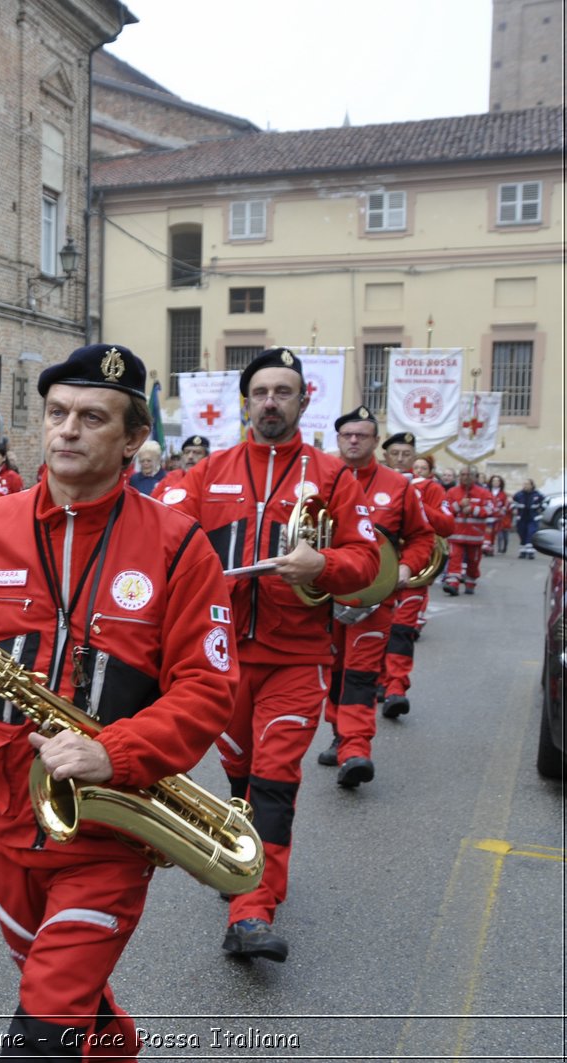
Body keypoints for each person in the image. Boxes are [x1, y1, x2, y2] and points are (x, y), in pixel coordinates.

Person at [0, 344, 237, 1059]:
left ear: (135, 437)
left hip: (109, 831)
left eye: (92, 417)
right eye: (56, 413)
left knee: (41, 1028)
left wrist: (115, 751)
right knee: (68, 1001)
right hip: (1, 817)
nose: (67, 430)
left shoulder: (179, 545)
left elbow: (207, 686)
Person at [162, 347, 378, 962]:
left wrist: (325, 564)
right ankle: (248, 864)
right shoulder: (208, 472)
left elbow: (368, 561)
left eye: (283, 392)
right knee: (238, 781)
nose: (271, 402)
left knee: (274, 780)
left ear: (304, 401)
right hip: (221, 658)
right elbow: (162, 537)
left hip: (296, 657)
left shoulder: (333, 476)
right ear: (245, 401)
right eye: (261, 392)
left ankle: (251, 910)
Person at [314, 408, 435, 787]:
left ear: (375, 442)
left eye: (362, 435)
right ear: (338, 439)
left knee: (361, 676)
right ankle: (338, 734)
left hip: (376, 601)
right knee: (333, 673)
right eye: (347, 434)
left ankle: (355, 750)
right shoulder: (317, 479)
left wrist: (405, 568)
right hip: (325, 599)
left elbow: (422, 537)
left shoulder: (398, 486)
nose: (354, 440)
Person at [373, 437, 456, 721]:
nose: (400, 459)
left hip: (414, 571)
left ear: (414, 458)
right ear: (385, 456)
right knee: (376, 632)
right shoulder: (375, 481)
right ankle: (380, 681)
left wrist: (418, 501)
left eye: (406, 454)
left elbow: (447, 526)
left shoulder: (430, 488)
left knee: (401, 631)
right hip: (375, 572)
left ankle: (397, 687)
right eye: (394, 453)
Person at [443, 466, 494, 596]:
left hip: (475, 536)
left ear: (475, 477)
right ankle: (453, 583)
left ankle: (470, 581)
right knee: (454, 559)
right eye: (463, 474)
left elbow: (490, 510)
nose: (466, 477)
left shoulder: (484, 493)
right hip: (456, 534)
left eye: (469, 474)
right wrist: (459, 505)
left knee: (473, 562)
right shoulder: (452, 492)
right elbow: (445, 509)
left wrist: (472, 509)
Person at [154, 434, 210, 499]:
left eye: (197, 453)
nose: (190, 457)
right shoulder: (171, 477)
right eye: (187, 452)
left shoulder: (211, 480)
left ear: (206, 457)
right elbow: (151, 502)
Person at [512, 478, 547, 558]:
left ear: (531, 485)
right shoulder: (519, 495)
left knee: (531, 533)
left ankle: (530, 552)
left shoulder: (537, 495)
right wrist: (514, 509)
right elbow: (512, 503)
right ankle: (523, 551)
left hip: (533, 518)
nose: (525, 486)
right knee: (522, 533)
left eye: (527, 484)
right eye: (524, 484)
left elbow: (545, 502)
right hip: (521, 518)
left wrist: (540, 509)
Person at [485, 474, 511, 553]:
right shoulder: (487, 492)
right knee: (487, 532)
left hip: (497, 517)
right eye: (494, 481)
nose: (495, 482)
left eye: (497, 481)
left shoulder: (503, 494)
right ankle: (487, 547)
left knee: (494, 533)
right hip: (487, 515)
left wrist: (502, 510)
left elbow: (505, 505)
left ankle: (491, 547)